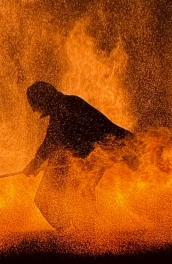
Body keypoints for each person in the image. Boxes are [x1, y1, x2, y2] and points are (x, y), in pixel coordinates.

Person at [23, 81, 136, 232]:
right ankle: (71, 233)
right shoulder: (64, 106)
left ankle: (82, 236)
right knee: (48, 198)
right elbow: (55, 142)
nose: (34, 110)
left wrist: (35, 164)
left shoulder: (66, 107)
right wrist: (36, 164)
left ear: (43, 99)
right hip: (90, 154)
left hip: (99, 153)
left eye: (35, 104)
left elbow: (52, 142)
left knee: (78, 194)